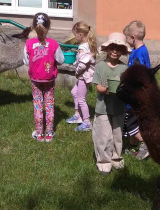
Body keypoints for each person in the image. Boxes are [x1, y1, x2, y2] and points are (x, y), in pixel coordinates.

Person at [92, 32, 131, 175]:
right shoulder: (100, 66)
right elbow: (97, 86)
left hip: (119, 107)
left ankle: (116, 158)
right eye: (112, 48)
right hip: (103, 107)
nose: (115, 51)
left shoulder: (124, 68)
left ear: (122, 51)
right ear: (107, 49)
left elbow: (127, 86)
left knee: (117, 134)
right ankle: (104, 162)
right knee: (103, 135)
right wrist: (105, 89)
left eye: (119, 48)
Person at [23, 13, 64, 142]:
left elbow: (25, 61)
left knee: (38, 105)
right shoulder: (53, 44)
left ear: (34, 26)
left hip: (35, 79)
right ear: (49, 26)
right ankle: (50, 133)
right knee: (49, 105)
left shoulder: (29, 43)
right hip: (49, 79)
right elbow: (61, 60)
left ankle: (40, 134)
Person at [123, 20, 151, 160]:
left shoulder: (139, 55)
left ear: (133, 37)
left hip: (135, 98)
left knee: (130, 122)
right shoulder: (140, 50)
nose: (126, 41)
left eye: (127, 38)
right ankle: (133, 146)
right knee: (132, 122)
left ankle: (146, 144)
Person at [66, 21, 97, 131]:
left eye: (75, 35)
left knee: (81, 99)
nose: (75, 38)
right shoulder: (87, 45)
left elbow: (83, 64)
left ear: (80, 35)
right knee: (74, 92)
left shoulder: (82, 47)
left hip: (83, 76)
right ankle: (77, 115)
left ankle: (87, 122)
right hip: (83, 76)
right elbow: (82, 60)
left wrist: (77, 72)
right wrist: (75, 64)